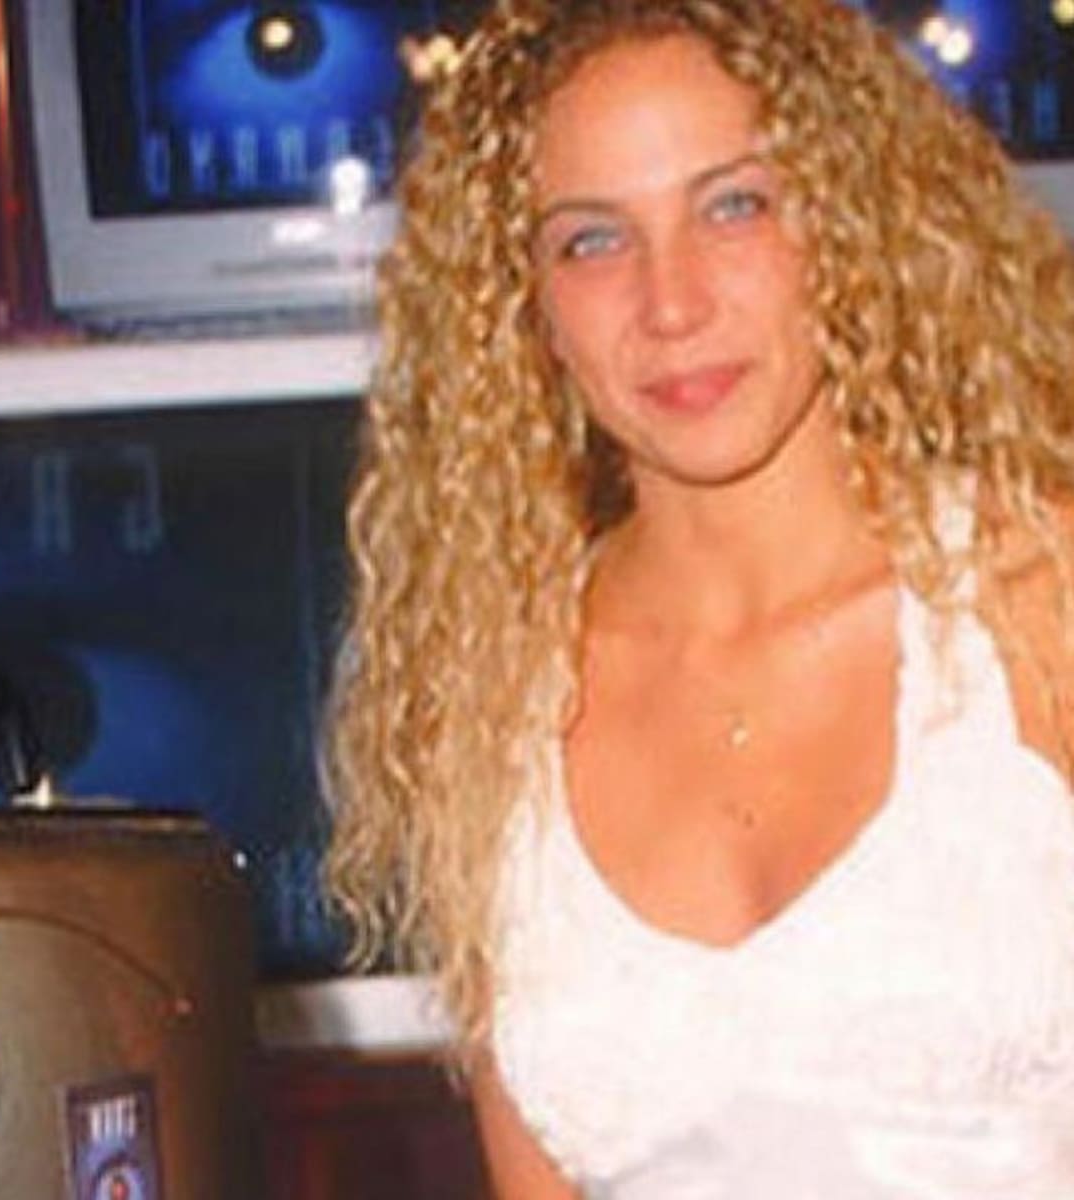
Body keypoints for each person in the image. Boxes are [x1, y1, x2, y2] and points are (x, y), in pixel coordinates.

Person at [324, 0, 1074, 1195]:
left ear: (847, 216)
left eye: (734, 206)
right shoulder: (493, 687)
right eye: (592, 240)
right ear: (524, 302)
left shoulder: (1038, 597)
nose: (671, 305)